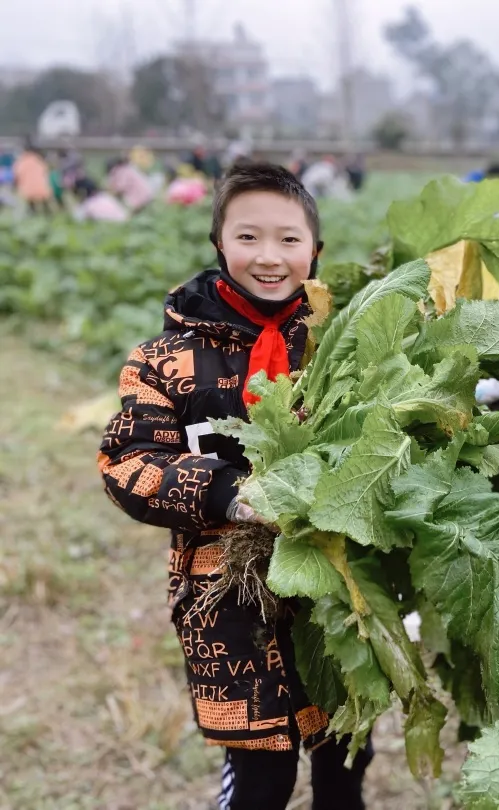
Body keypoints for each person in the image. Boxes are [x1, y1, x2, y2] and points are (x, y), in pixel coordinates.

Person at [98, 163, 372, 810]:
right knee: (260, 775)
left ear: (316, 251)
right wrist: (229, 495)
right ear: (220, 243)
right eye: (249, 238)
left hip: (339, 582)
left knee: (346, 758)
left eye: (288, 240)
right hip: (224, 591)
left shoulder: (346, 343)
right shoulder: (164, 360)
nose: (269, 257)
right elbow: (129, 464)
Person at [13, 140, 52, 214]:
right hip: (41, 187)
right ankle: (48, 215)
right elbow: (45, 171)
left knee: (31, 204)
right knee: (45, 203)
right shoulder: (38, 160)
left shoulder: (22, 161)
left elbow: (17, 174)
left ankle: (34, 214)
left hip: (28, 188)